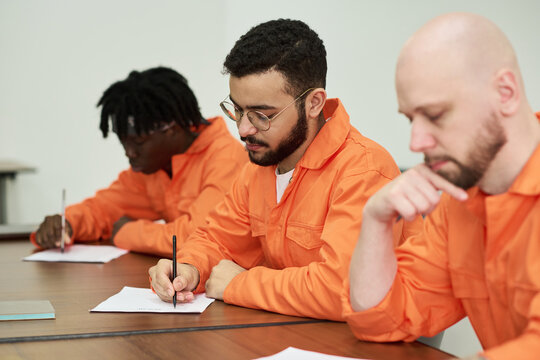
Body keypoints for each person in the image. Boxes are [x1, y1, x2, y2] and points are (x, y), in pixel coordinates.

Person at [149, 19, 421, 321]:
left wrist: (240, 284)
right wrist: (188, 268)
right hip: (295, 334)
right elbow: (217, 239)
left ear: (314, 103)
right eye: (237, 110)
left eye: (261, 115)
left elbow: (342, 290)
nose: (243, 129)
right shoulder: (261, 163)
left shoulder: (363, 171)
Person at [343, 13, 540, 359]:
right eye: (410, 119)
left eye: (434, 115)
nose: (416, 142)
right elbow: (380, 321)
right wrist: (375, 220)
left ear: (505, 93)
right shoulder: (459, 202)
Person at [31, 66, 247, 257]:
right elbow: (104, 208)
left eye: (139, 142)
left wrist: (127, 232)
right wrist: (66, 223)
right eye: (123, 141)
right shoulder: (153, 167)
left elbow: (198, 236)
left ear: (171, 130)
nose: (129, 153)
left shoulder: (226, 160)